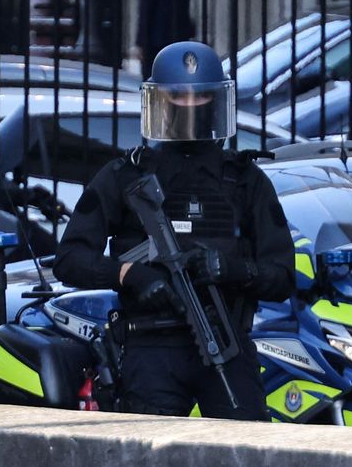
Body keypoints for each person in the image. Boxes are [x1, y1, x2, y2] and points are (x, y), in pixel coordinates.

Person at [55, 41, 291, 419]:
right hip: (150, 347)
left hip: (224, 345)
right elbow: (69, 260)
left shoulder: (246, 181)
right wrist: (128, 274)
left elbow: (282, 277)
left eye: (199, 102)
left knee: (244, 451)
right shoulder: (125, 176)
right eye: (177, 101)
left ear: (215, 104)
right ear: (159, 104)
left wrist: (233, 270)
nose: (189, 112)